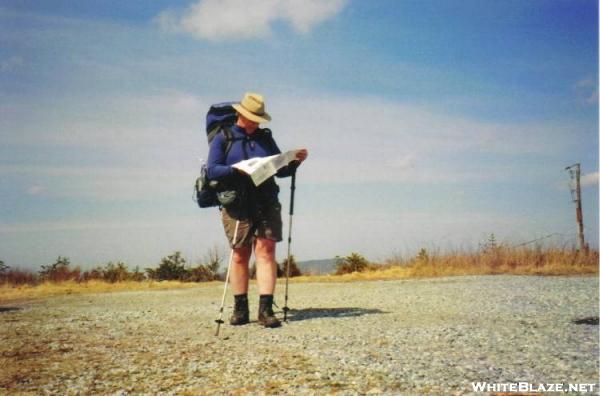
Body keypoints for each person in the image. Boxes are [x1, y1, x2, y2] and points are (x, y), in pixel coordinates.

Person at [207, 92, 308, 328]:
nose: (255, 122)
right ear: (241, 114)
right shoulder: (223, 137)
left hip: (266, 199)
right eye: (252, 117)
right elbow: (212, 170)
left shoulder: (265, 138)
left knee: (266, 250)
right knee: (240, 253)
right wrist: (237, 171)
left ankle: (265, 310)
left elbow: (280, 170)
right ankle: (240, 310)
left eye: (258, 118)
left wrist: (294, 161)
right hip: (237, 202)